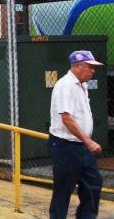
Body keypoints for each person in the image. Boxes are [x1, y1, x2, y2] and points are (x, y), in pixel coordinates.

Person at [48, 50, 104, 219]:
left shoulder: (82, 85)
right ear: (77, 66)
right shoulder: (65, 86)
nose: (93, 71)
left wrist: (86, 142)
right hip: (66, 146)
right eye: (89, 67)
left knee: (93, 184)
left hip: (81, 146)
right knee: (63, 191)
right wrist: (89, 141)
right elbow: (67, 118)